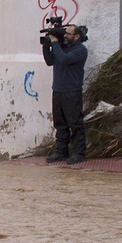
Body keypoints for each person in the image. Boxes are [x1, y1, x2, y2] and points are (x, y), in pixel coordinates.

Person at [41, 22, 89, 164]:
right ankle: (61, 152)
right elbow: (50, 61)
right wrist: (46, 45)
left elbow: (65, 59)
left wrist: (55, 43)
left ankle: (79, 153)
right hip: (58, 90)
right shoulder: (60, 48)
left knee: (75, 123)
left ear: (77, 36)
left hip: (72, 91)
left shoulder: (80, 50)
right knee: (60, 124)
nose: (65, 36)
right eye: (65, 33)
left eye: (68, 34)